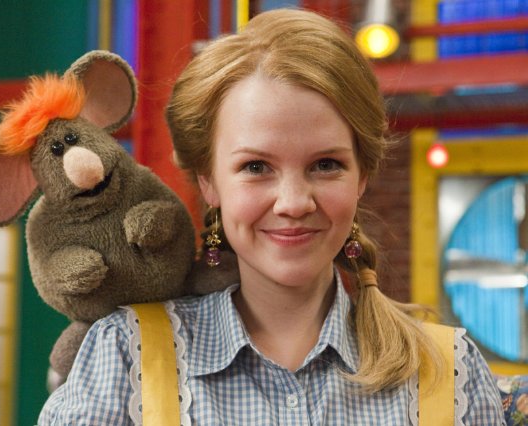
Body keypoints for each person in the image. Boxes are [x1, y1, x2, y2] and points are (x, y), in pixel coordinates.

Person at [39, 8, 505, 425]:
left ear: (362, 176)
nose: (294, 202)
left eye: (326, 164)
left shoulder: (450, 372)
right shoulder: (124, 358)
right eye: (256, 167)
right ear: (209, 181)